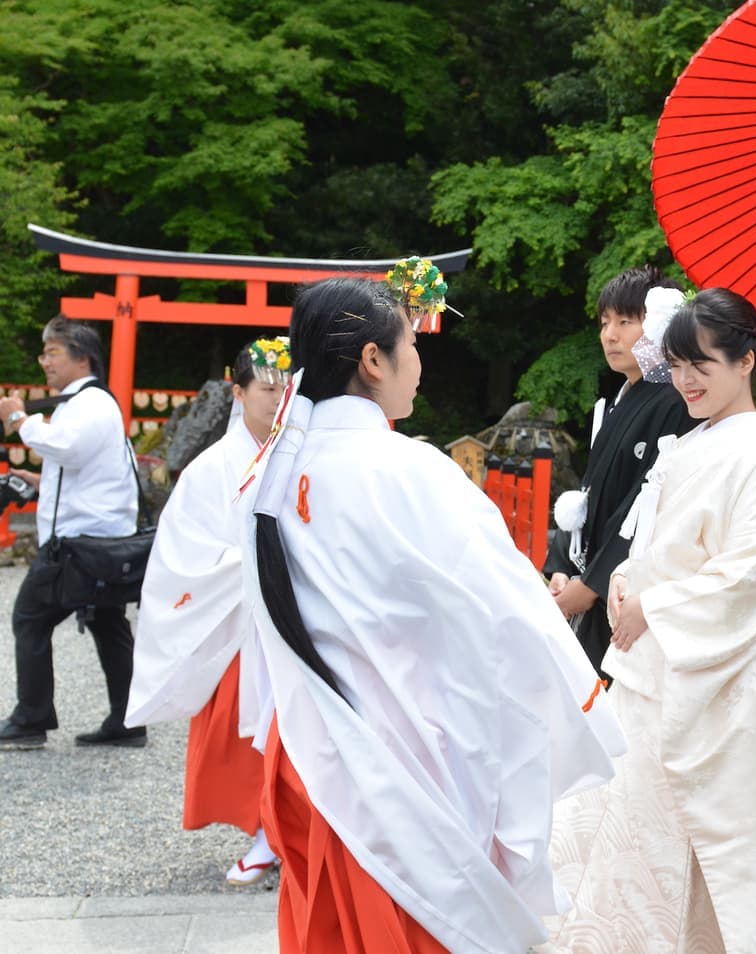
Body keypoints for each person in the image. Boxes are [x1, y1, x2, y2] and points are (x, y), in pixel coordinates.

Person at [240, 277, 624, 952]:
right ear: (372, 360)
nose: (418, 362)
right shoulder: (410, 470)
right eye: (412, 344)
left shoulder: (267, 477)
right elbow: (506, 617)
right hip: (403, 756)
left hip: (310, 746)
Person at [542, 288, 756, 953]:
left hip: (702, 673)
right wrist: (623, 582)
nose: (688, 380)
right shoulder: (698, 441)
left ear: (747, 361)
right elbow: (656, 542)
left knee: (694, 833)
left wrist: (655, 604)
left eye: (704, 364)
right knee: (635, 826)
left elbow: (753, 570)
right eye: (679, 364)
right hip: (656, 664)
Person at [126, 340, 292, 886]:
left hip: (299, 619)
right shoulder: (210, 468)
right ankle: (266, 834)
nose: (277, 397)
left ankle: (296, 835)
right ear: (238, 392)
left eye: (286, 386)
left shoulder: (306, 452)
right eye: (266, 387)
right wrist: (254, 563)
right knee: (245, 735)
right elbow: (184, 553)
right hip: (240, 625)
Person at [545, 265, 698, 676]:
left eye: (625, 322)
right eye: (604, 322)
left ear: (661, 324)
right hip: (592, 579)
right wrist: (563, 565)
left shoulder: (674, 401)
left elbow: (645, 501)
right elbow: (590, 494)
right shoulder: (620, 397)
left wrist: (590, 586)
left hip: (625, 589)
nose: (609, 335)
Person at [0, 317, 144, 750]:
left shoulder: (90, 403)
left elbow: (66, 448)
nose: (44, 361)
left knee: (29, 617)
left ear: (82, 357)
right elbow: (88, 470)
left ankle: (31, 719)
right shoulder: (90, 404)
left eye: (52, 352)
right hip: (101, 542)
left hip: (78, 546)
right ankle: (129, 720)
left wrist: (19, 418)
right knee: (108, 624)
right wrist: (43, 482)